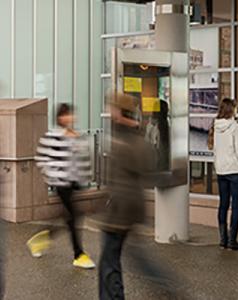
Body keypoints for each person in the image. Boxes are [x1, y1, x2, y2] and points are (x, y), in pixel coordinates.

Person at [91, 93, 178, 300]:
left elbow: (118, 174)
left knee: (110, 262)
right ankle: (168, 289)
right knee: (131, 259)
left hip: (119, 209)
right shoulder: (137, 135)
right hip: (129, 207)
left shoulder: (124, 138)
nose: (110, 113)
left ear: (120, 112)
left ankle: (169, 290)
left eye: (113, 109)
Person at [26, 103, 95, 269]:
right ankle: (78, 254)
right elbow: (41, 158)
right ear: (59, 118)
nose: (68, 117)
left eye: (70, 114)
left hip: (73, 182)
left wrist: (85, 178)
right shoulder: (52, 136)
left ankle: (38, 240)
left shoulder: (77, 136)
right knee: (73, 217)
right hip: (61, 183)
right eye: (64, 115)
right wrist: (53, 174)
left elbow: (83, 159)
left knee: (66, 217)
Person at [211, 98, 238, 250]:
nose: (237, 110)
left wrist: (217, 167)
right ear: (231, 109)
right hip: (235, 171)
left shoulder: (216, 126)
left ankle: (223, 239)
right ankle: (232, 241)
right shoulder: (236, 127)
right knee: (235, 206)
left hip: (221, 171)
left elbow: (215, 150)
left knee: (223, 205)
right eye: (236, 108)